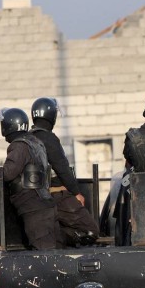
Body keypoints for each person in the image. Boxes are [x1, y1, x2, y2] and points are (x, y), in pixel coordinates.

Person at [0, 108, 58, 250]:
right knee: (52, 253)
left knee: (45, 258)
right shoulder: (35, 142)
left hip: (34, 210)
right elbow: (21, 174)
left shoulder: (18, 146)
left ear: (9, 126)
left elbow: (7, 174)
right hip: (45, 206)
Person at [29, 97, 99, 247]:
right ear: (51, 117)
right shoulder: (48, 138)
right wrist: (76, 193)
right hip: (57, 195)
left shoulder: (27, 138)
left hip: (34, 197)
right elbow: (62, 168)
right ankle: (56, 237)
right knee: (90, 230)